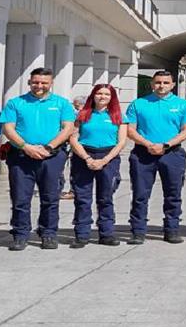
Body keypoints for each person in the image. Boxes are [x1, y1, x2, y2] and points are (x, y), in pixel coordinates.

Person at [0, 68, 76, 250]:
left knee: (50, 198)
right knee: (20, 198)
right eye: (35, 82)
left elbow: (67, 128)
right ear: (29, 82)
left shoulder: (62, 103)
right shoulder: (15, 103)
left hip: (52, 156)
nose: (39, 86)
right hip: (21, 156)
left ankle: (48, 234)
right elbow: (8, 128)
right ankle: (20, 234)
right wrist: (26, 147)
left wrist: (48, 147)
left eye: (44, 82)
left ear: (51, 83)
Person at [124, 70, 186, 244]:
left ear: (172, 84)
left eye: (165, 82)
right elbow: (130, 130)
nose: (161, 86)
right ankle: (138, 231)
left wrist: (166, 145)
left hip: (172, 154)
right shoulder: (138, 104)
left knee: (173, 194)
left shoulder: (183, 105)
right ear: (152, 84)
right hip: (142, 154)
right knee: (140, 194)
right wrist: (148, 144)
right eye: (158, 82)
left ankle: (172, 230)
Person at [68, 84, 128, 248]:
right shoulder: (82, 115)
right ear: (93, 96)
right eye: (99, 93)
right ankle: (82, 234)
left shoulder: (118, 116)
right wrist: (87, 158)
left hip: (108, 156)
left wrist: (104, 160)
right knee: (82, 198)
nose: (102, 97)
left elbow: (121, 142)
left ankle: (106, 233)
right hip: (84, 155)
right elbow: (73, 138)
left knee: (105, 197)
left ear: (112, 97)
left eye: (106, 94)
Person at [59, 95, 85, 201]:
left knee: (75, 169)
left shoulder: (82, 115)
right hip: (69, 144)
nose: (75, 107)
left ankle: (73, 190)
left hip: (77, 145)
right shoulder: (74, 113)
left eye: (77, 105)